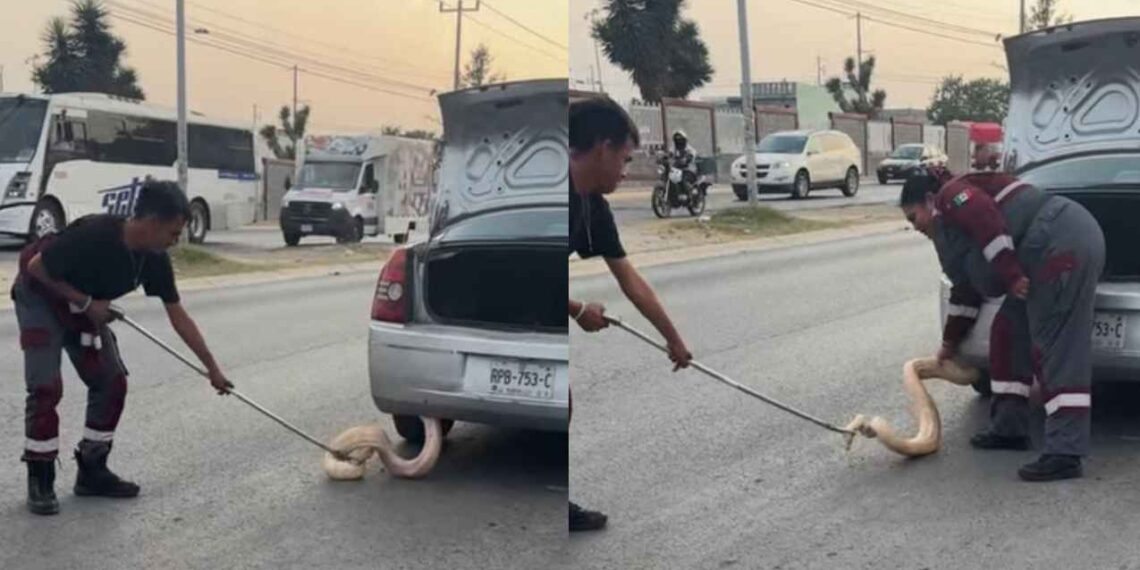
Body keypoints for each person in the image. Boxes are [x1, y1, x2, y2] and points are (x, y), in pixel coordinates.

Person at [13, 180, 233, 515]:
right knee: (46, 386)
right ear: (153, 222)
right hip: (41, 296)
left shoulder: (154, 260)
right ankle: (40, 478)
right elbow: (36, 268)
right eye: (174, 233)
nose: (175, 241)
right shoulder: (95, 234)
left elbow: (178, 316)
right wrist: (86, 302)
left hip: (85, 305)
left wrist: (212, 370)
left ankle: (92, 471)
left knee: (111, 381)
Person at [899, 167, 1104, 481]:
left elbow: (984, 216)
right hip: (1036, 257)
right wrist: (949, 344)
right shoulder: (949, 236)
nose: (916, 228)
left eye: (914, 217)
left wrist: (1011, 274)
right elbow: (965, 292)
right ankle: (1009, 428)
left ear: (929, 200)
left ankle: (1065, 452)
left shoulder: (951, 195)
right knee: (1007, 331)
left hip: (1060, 241)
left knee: (1057, 347)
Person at [568, 97, 694, 531]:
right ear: (603, 148)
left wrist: (673, 340)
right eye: (624, 159)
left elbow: (630, 280)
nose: (625, 171)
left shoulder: (591, 206)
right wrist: (577, 309)